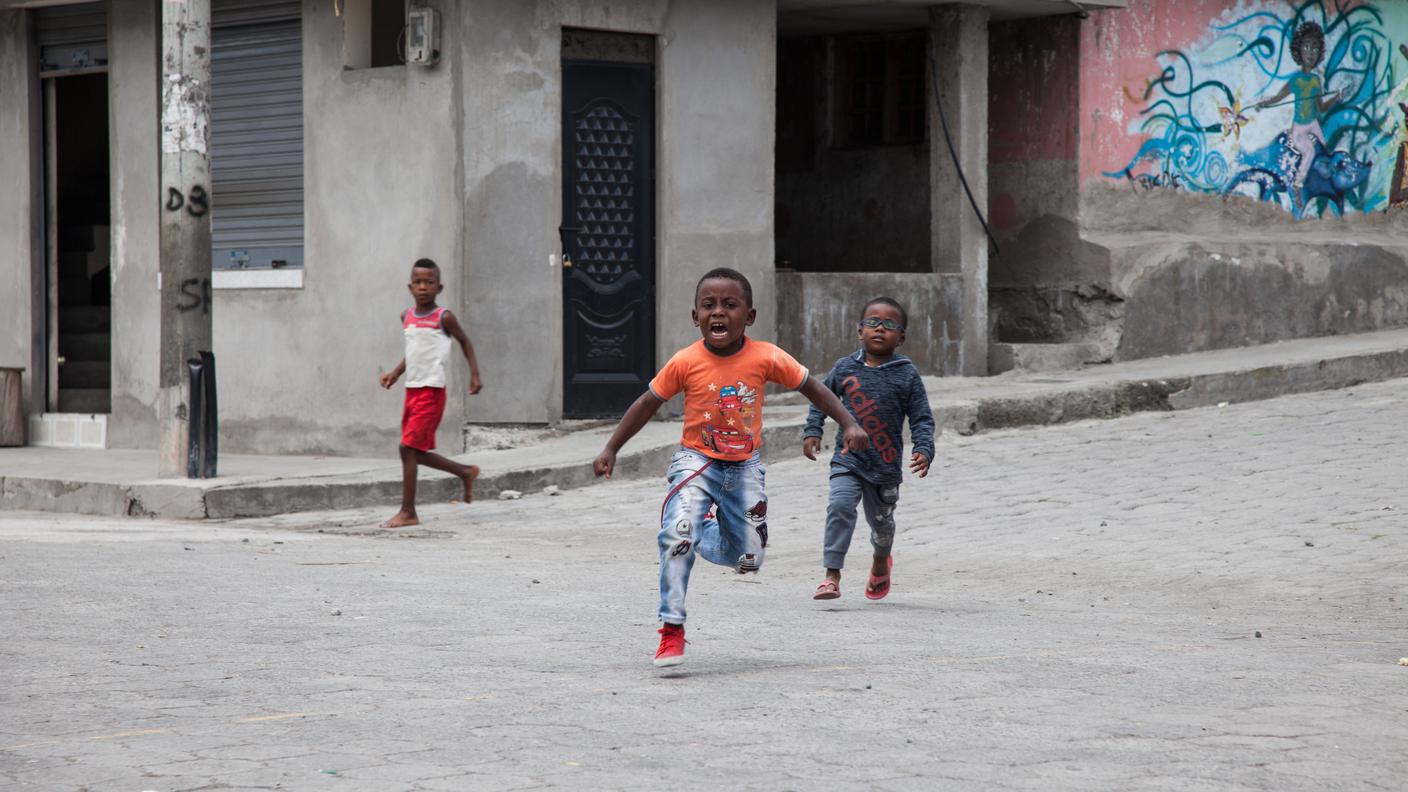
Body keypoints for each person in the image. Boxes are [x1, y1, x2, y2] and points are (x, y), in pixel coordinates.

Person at [592, 267, 869, 667]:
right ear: (695, 316)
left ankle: (702, 530)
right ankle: (671, 629)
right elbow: (647, 402)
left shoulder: (766, 356)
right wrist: (611, 447)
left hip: (744, 467)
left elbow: (812, 386)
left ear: (749, 316)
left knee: (748, 560)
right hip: (696, 461)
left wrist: (847, 422)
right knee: (676, 535)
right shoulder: (686, 361)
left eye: (729, 305)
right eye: (708, 306)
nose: (717, 312)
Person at [802, 297, 934, 601]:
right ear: (859, 330)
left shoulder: (906, 374)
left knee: (882, 525)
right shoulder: (844, 367)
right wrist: (813, 430)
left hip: (885, 467)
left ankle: (880, 559)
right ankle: (831, 576)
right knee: (839, 507)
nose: (879, 329)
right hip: (848, 459)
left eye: (889, 325)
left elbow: (921, 417)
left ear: (901, 337)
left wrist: (925, 449)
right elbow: (820, 398)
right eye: (872, 322)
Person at [378, 258, 483, 529]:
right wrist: (395, 373)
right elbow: (413, 353)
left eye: (429, 282)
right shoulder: (407, 317)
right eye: (418, 282)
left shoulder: (443, 317)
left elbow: (465, 342)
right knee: (413, 451)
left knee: (407, 447)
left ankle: (408, 511)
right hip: (412, 390)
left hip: (432, 390)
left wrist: (474, 374)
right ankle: (465, 472)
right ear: (410, 287)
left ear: (439, 287)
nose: (423, 287)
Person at [1254, 21, 1340, 216]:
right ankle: (1297, 185)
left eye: (1315, 48)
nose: (1311, 52)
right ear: (1298, 50)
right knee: (1309, 153)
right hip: (1300, 128)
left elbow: (1321, 107)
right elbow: (1277, 98)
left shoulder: (1316, 80)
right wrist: (1263, 104)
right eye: (1307, 47)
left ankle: (1322, 192)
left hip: (1313, 124)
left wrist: (1336, 98)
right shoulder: (1295, 80)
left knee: (1324, 154)